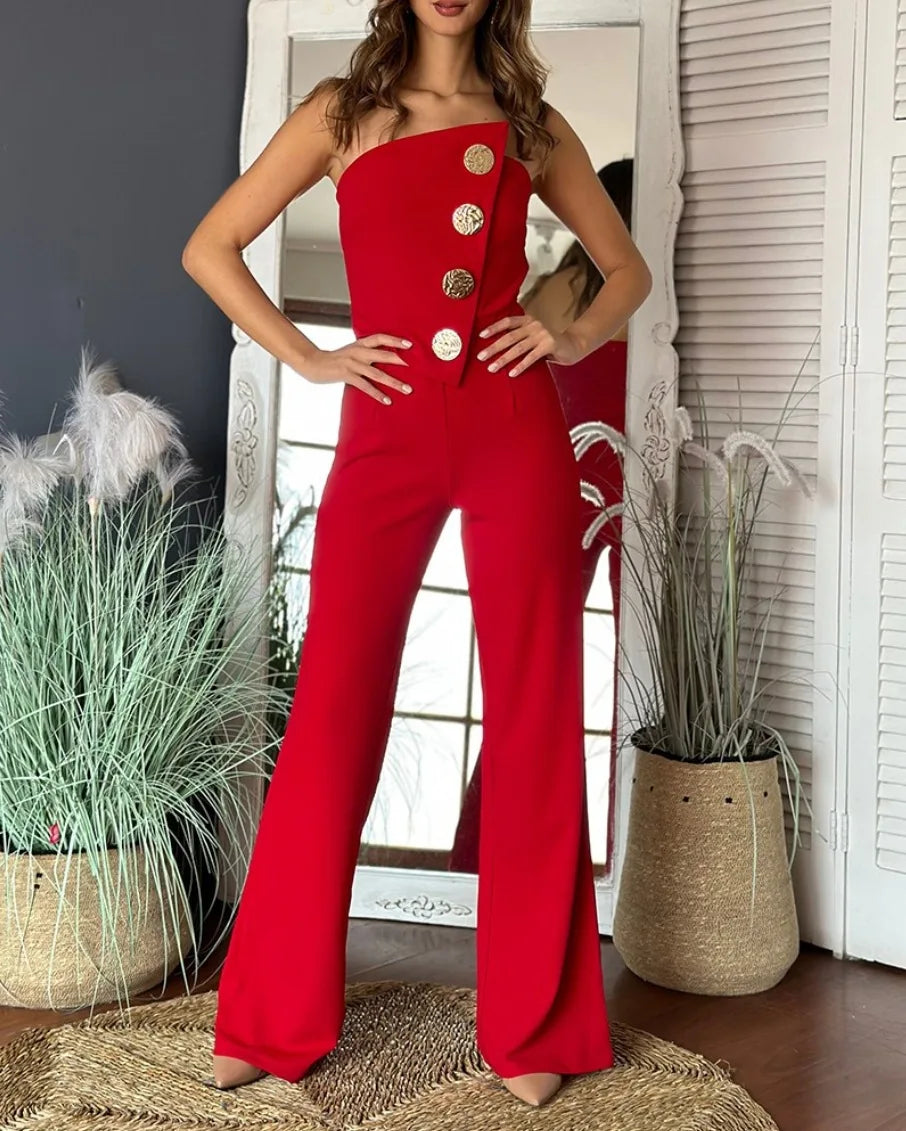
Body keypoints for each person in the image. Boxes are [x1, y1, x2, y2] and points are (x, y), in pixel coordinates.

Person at [181, 0, 651, 1109]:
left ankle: (535, 1029)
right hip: (384, 435)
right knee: (336, 708)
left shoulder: (529, 123)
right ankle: (271, 1016)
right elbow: (211, 246)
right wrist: (311, 354)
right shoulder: (341, 115)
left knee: (536, 705)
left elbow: (623, 268)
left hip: (511, 431)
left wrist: (568, 333)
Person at [449, 159, 632, 875]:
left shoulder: (552, 293)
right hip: (607, 474)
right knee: (621, 681)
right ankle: (620, 865)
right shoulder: (646, 295)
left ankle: (480, 862)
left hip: (564, 474)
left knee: (531, 679)